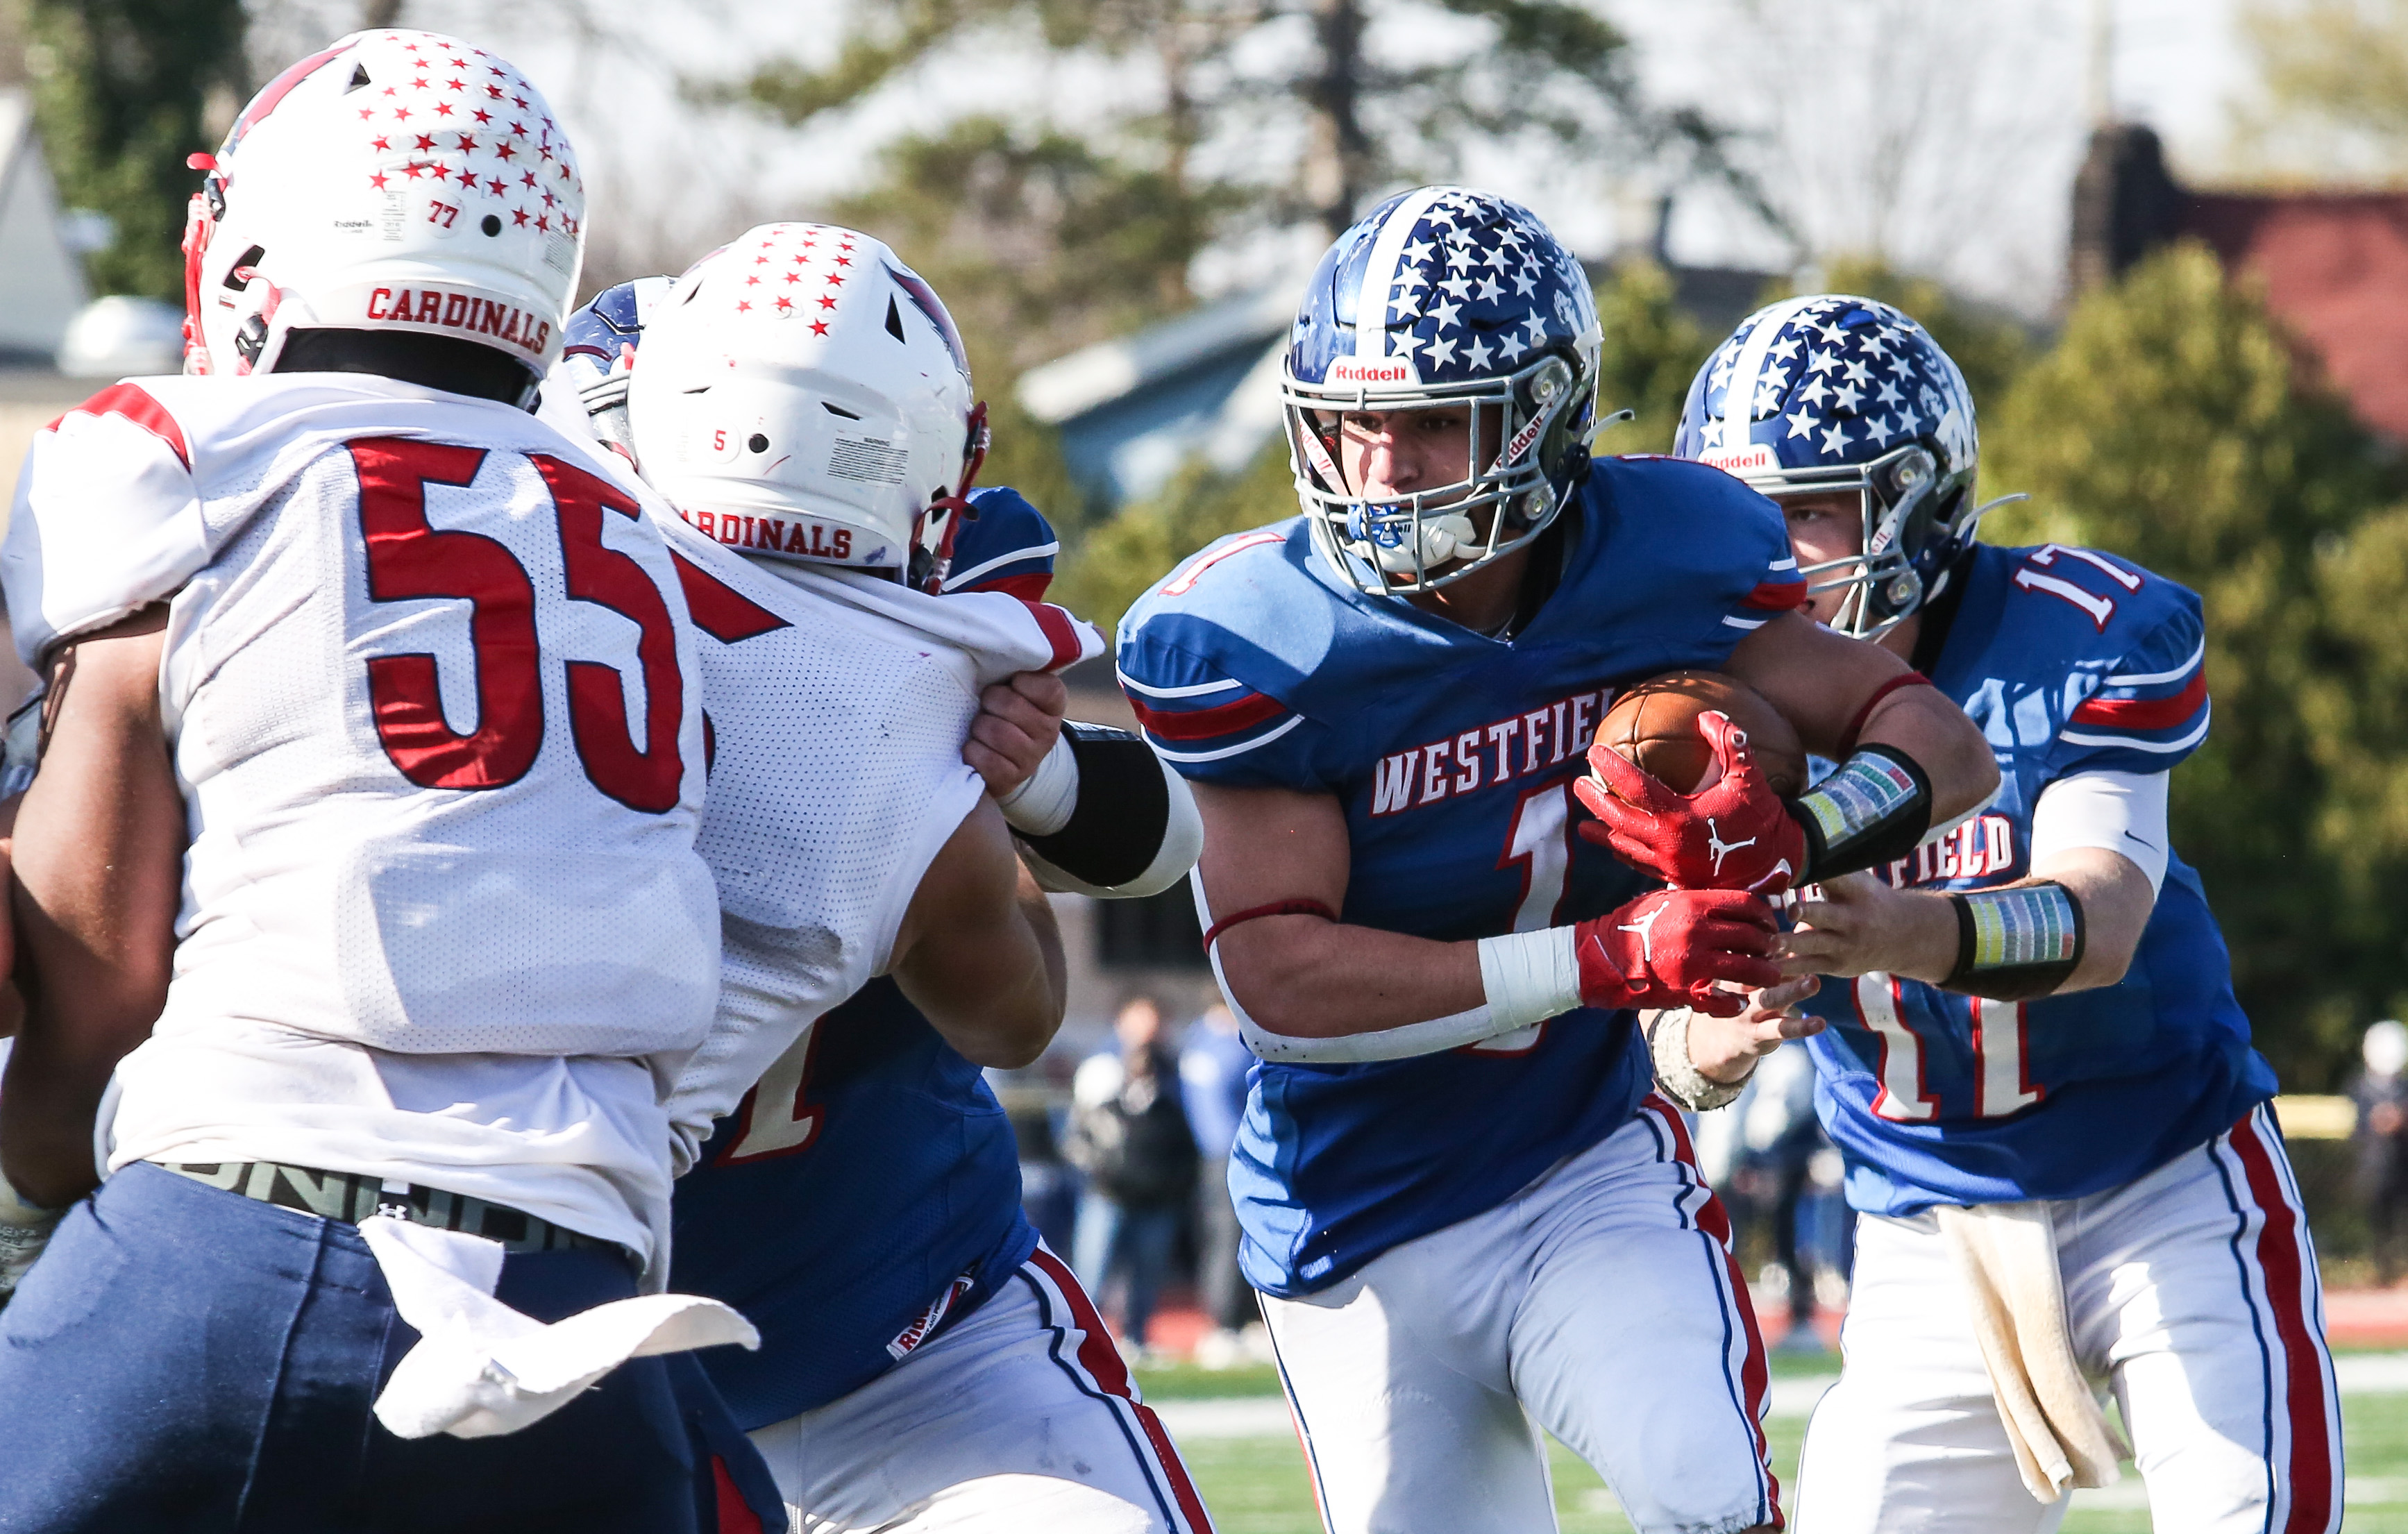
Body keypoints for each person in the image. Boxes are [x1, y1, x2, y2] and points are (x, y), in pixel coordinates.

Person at [1115, 186, 1999, 1534]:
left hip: (1579, 1164)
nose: (1383, 470)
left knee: (1708, 1501)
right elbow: (1281, 980)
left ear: (1540, 419)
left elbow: (1931, 739)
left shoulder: (1659, 557)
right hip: (1356, 1220)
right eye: (1355, 426)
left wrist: (1798, 835)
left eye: (1428, 423)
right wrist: (1612, 956)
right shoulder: (1264, 637)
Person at [0, 30, 763, 1532]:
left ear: (255, 259)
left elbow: (93, 981)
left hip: (233, 1243)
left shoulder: (173, 457)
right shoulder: (647, 539)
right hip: (576, 1305)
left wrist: (31, 1213)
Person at [551, 242, 1217, 1534]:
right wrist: (981, 789)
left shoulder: (516, 598)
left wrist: (1010, 790)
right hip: (795, 1333)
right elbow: (1022, 1008)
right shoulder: (908, 638)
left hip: (824, 1335)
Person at [1678, 293, 2339, 1531]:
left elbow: (2098, 922)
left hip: (2162, 1177)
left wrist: (1897, 935)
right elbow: (1671, 1028)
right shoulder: (1689, 694)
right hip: (1927, 1222)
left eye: (1812, 508)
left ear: (1917, 505)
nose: (1772, 556)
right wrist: (1710, 1044)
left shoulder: (2073, 636)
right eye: (1738, 519)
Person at [1067, 995, 1201, 1359]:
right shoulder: (1103, 1067)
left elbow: (1188, 1132)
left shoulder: (1175, 1071)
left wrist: (1174, 1181)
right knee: (1092, 1275)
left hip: (1157, 1192)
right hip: (1108, 1192)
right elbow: (1080, 1133)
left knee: (1148, 1276)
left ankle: (1138, 1340)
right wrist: (1100, 1172)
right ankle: (1084, 1345)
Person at [1179, 1000, 1258, 1365]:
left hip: (1210, 1152)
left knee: (1221, 1237)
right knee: (1231, 1238)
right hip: (1234, 1151)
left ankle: (1231, 1320)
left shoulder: (1197, 1040)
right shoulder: (1230, 1045)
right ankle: (1227, 1322)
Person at [2354, 1019, 2408, 1283]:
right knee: (2380, 1224)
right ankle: (2383, 1272)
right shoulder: (2360, 1087)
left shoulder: (2404, 1088)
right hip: (2375, 1169)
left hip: (2402, 1168)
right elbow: (2358, 1127)